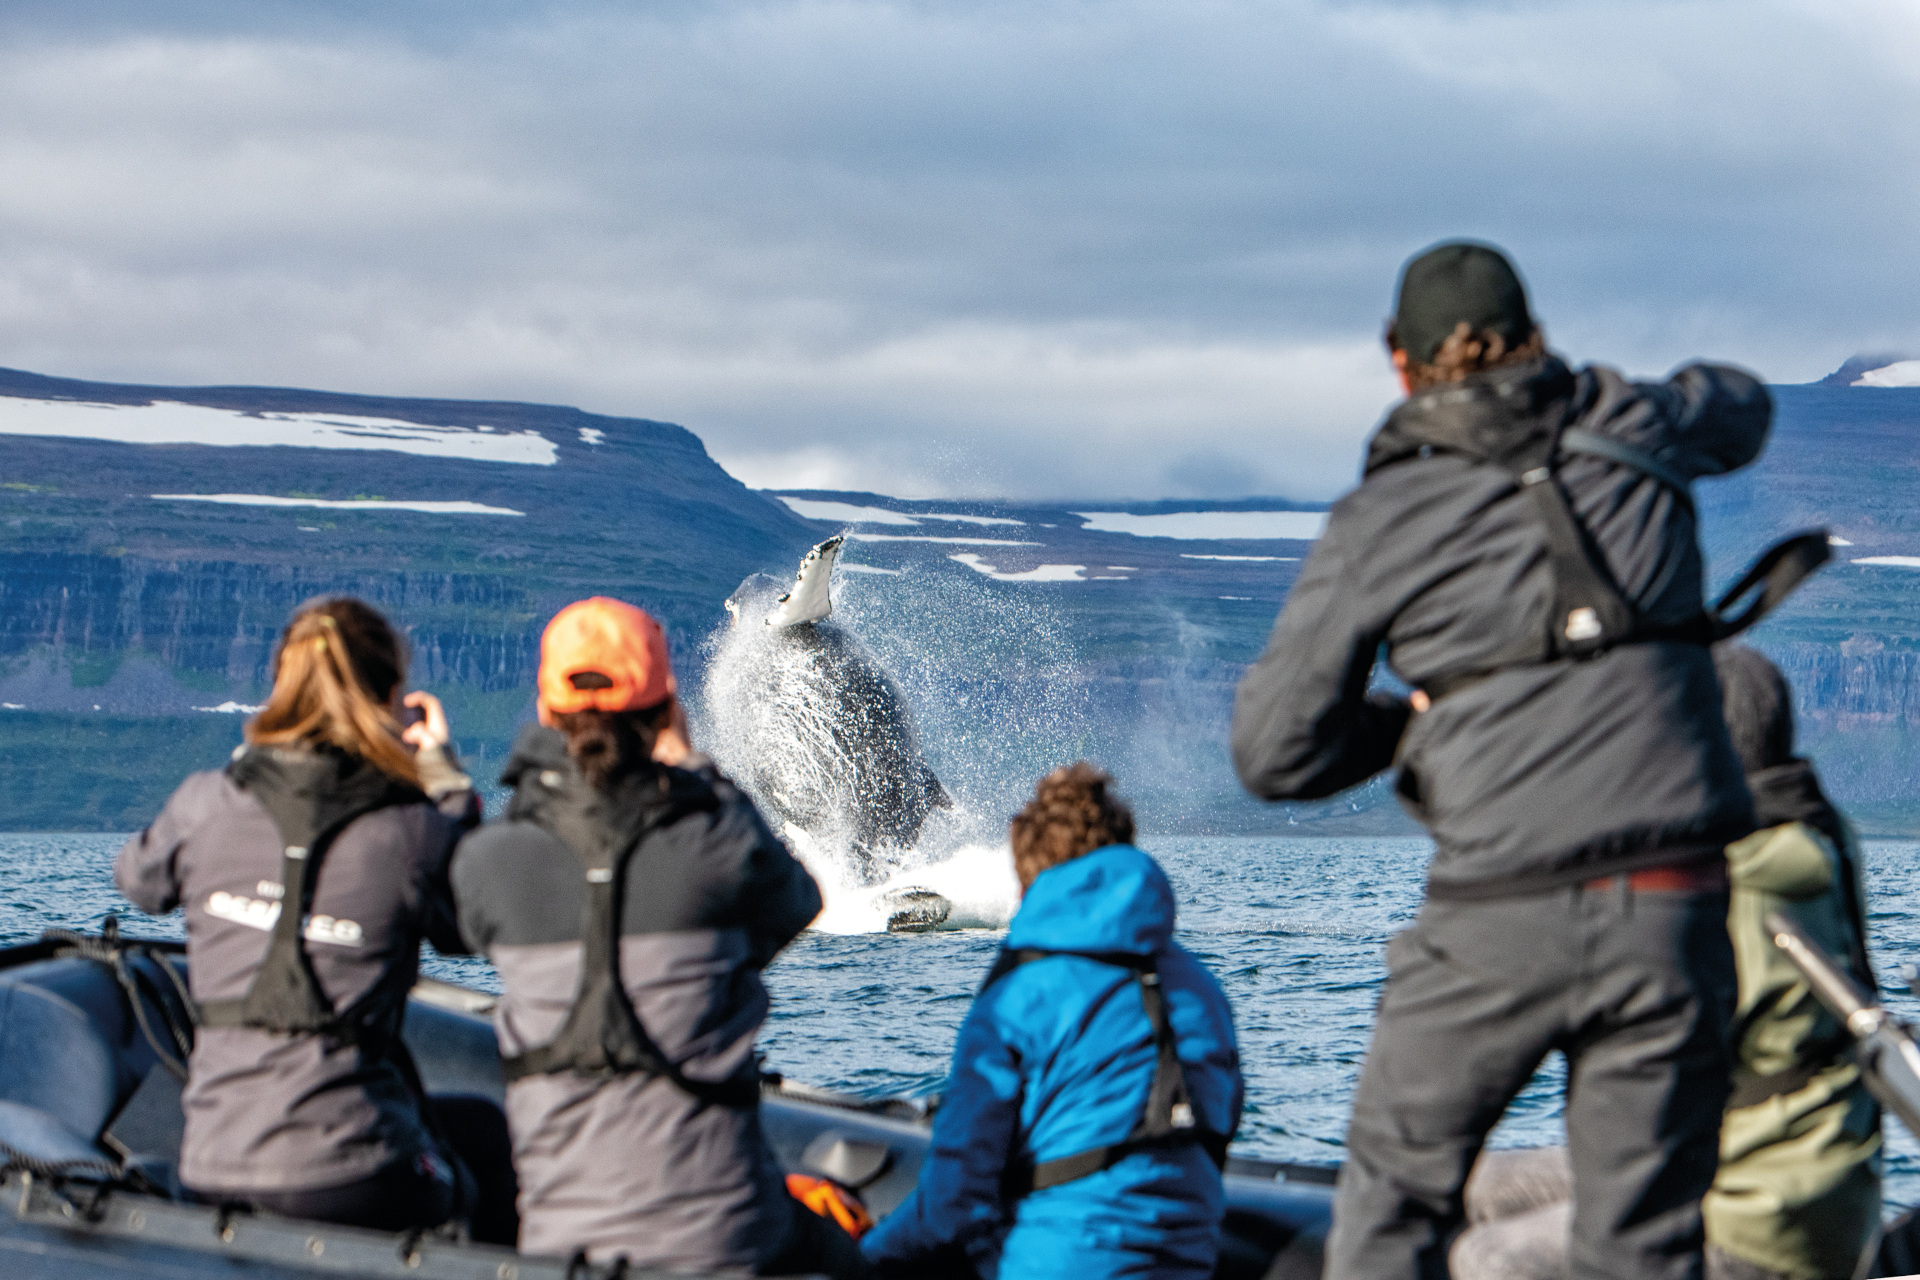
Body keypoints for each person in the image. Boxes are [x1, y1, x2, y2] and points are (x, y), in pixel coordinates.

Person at [1232, 241, 1774, 1279]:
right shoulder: (1642, 425)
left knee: (1389, 1213)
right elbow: (1741, 404)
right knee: (1642, 1243)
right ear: (1533, 332)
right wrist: (1619, 393)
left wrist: (1423, 720)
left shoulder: (1380, 518)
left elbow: (1274, 752)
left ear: (1401, 362)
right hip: (1670, 908)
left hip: (1495, 912)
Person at [449, 596, 862, 1274]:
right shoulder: (719, 842)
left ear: (548, 713)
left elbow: (453, 915)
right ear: (666, 708)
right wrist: (695, 769)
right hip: (723, 1235)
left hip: (562, 1244)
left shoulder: (492, 860)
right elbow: (798, 902)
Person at [115, 597, 515, 1241]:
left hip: (213, 1162)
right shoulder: (413, 831)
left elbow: (138, 881)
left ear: (281, 687)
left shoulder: (204, 804)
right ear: (392, 697)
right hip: (358, 1171)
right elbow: (472, 922)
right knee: (487, 1141)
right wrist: (443, 780)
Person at [862, 763, 1242, 1280]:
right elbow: (1220, 1126)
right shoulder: (1200, 985)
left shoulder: (1017, 994)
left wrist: (855, 1255)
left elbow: (953, 1203)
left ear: (1028, 874)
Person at [1703, 643, 1880, 1280]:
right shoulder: (1826, 840)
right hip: (1837, 1192)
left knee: (1492, 1254)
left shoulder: (1722, 879)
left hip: (1747, 1214)